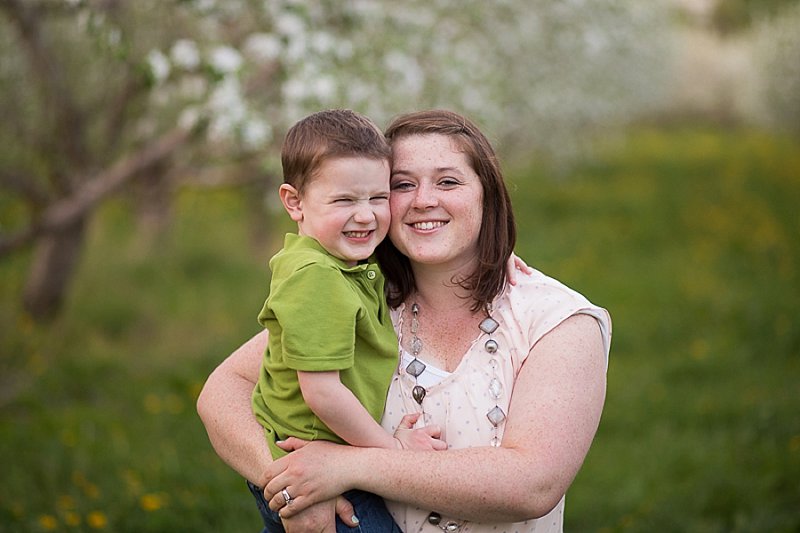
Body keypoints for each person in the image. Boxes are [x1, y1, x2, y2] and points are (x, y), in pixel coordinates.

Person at [198, 109, 612, 533]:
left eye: (448, 181)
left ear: (487, 195)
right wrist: (296, 485)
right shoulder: (360, 294)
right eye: (402, 185)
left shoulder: (556, 321)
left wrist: (347, 467)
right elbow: (223, 390)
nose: (423, 200)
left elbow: (532, 484)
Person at [248, 109, 445, 533]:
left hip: (322, 451)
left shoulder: (335, 256)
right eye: (344, 200)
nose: (366, 216)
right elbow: (322, 393)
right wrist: (392, 450)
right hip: (315, 458)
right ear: (294, 202)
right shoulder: (316, 278)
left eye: (377, 198)